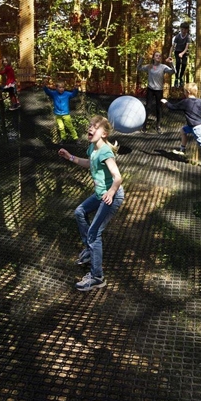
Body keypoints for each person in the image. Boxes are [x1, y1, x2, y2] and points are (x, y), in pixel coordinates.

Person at [57, 115, 124, 291]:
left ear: (104, 133)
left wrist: (111, 192)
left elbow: (118, 177)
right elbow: (89, 164)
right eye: (90, 125)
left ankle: (97, 277)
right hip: (101, 194)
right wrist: (70, 157)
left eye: (95, 126)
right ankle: (89, 250)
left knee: (94, 233)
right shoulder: (93, 149)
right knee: (79, 212)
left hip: (111, 196)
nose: (91, 128)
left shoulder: (106, 152)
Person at [160, 82, 201, 170]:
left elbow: (173, 107)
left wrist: (166, 102)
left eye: (184, 91)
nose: (183, 93)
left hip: (196, 128)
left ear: (188, 92)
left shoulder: (185, 102)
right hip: (196, 126)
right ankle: (183, 149)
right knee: (183, 130)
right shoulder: (199, 101)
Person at [137, 52, 175, 132]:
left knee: (159, 108)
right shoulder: (149, 66)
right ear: (153, 57)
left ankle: (158, 126)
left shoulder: (163, 67)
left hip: (159, 90)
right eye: (156, 56)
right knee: (148, 107)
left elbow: (173, 72)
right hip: (150, 89)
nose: (158, 57)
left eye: (159, 56)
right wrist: (141, 59)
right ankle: (144, 126)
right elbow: (139, 68)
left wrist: (171, 63)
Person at [44, 77, 80, 142]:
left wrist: (76, 89)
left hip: (66, 114)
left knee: (70, 126)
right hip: (58, 114)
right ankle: (63, 138)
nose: (61, 89)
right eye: (60, 88)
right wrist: (45, 86)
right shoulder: (54, 94)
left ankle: (76, 138)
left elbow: (73, 94)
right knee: (61, 127)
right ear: (56, 88)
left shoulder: (67, 94)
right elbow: (48, 92)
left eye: (63, 88)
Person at [172, 22, 191, 88]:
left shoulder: (188, 37)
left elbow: (186, 47)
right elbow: (173, 46)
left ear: (187, 30)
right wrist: (170, 55)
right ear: (180, 29)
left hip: (184, 52)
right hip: (177, 51)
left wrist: (182, 53)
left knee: (184, 64)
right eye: (182, 29)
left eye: (185, 30)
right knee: (178, 63)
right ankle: (176, 78)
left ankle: (181, 77)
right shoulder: (177, 37)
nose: (183, 31)